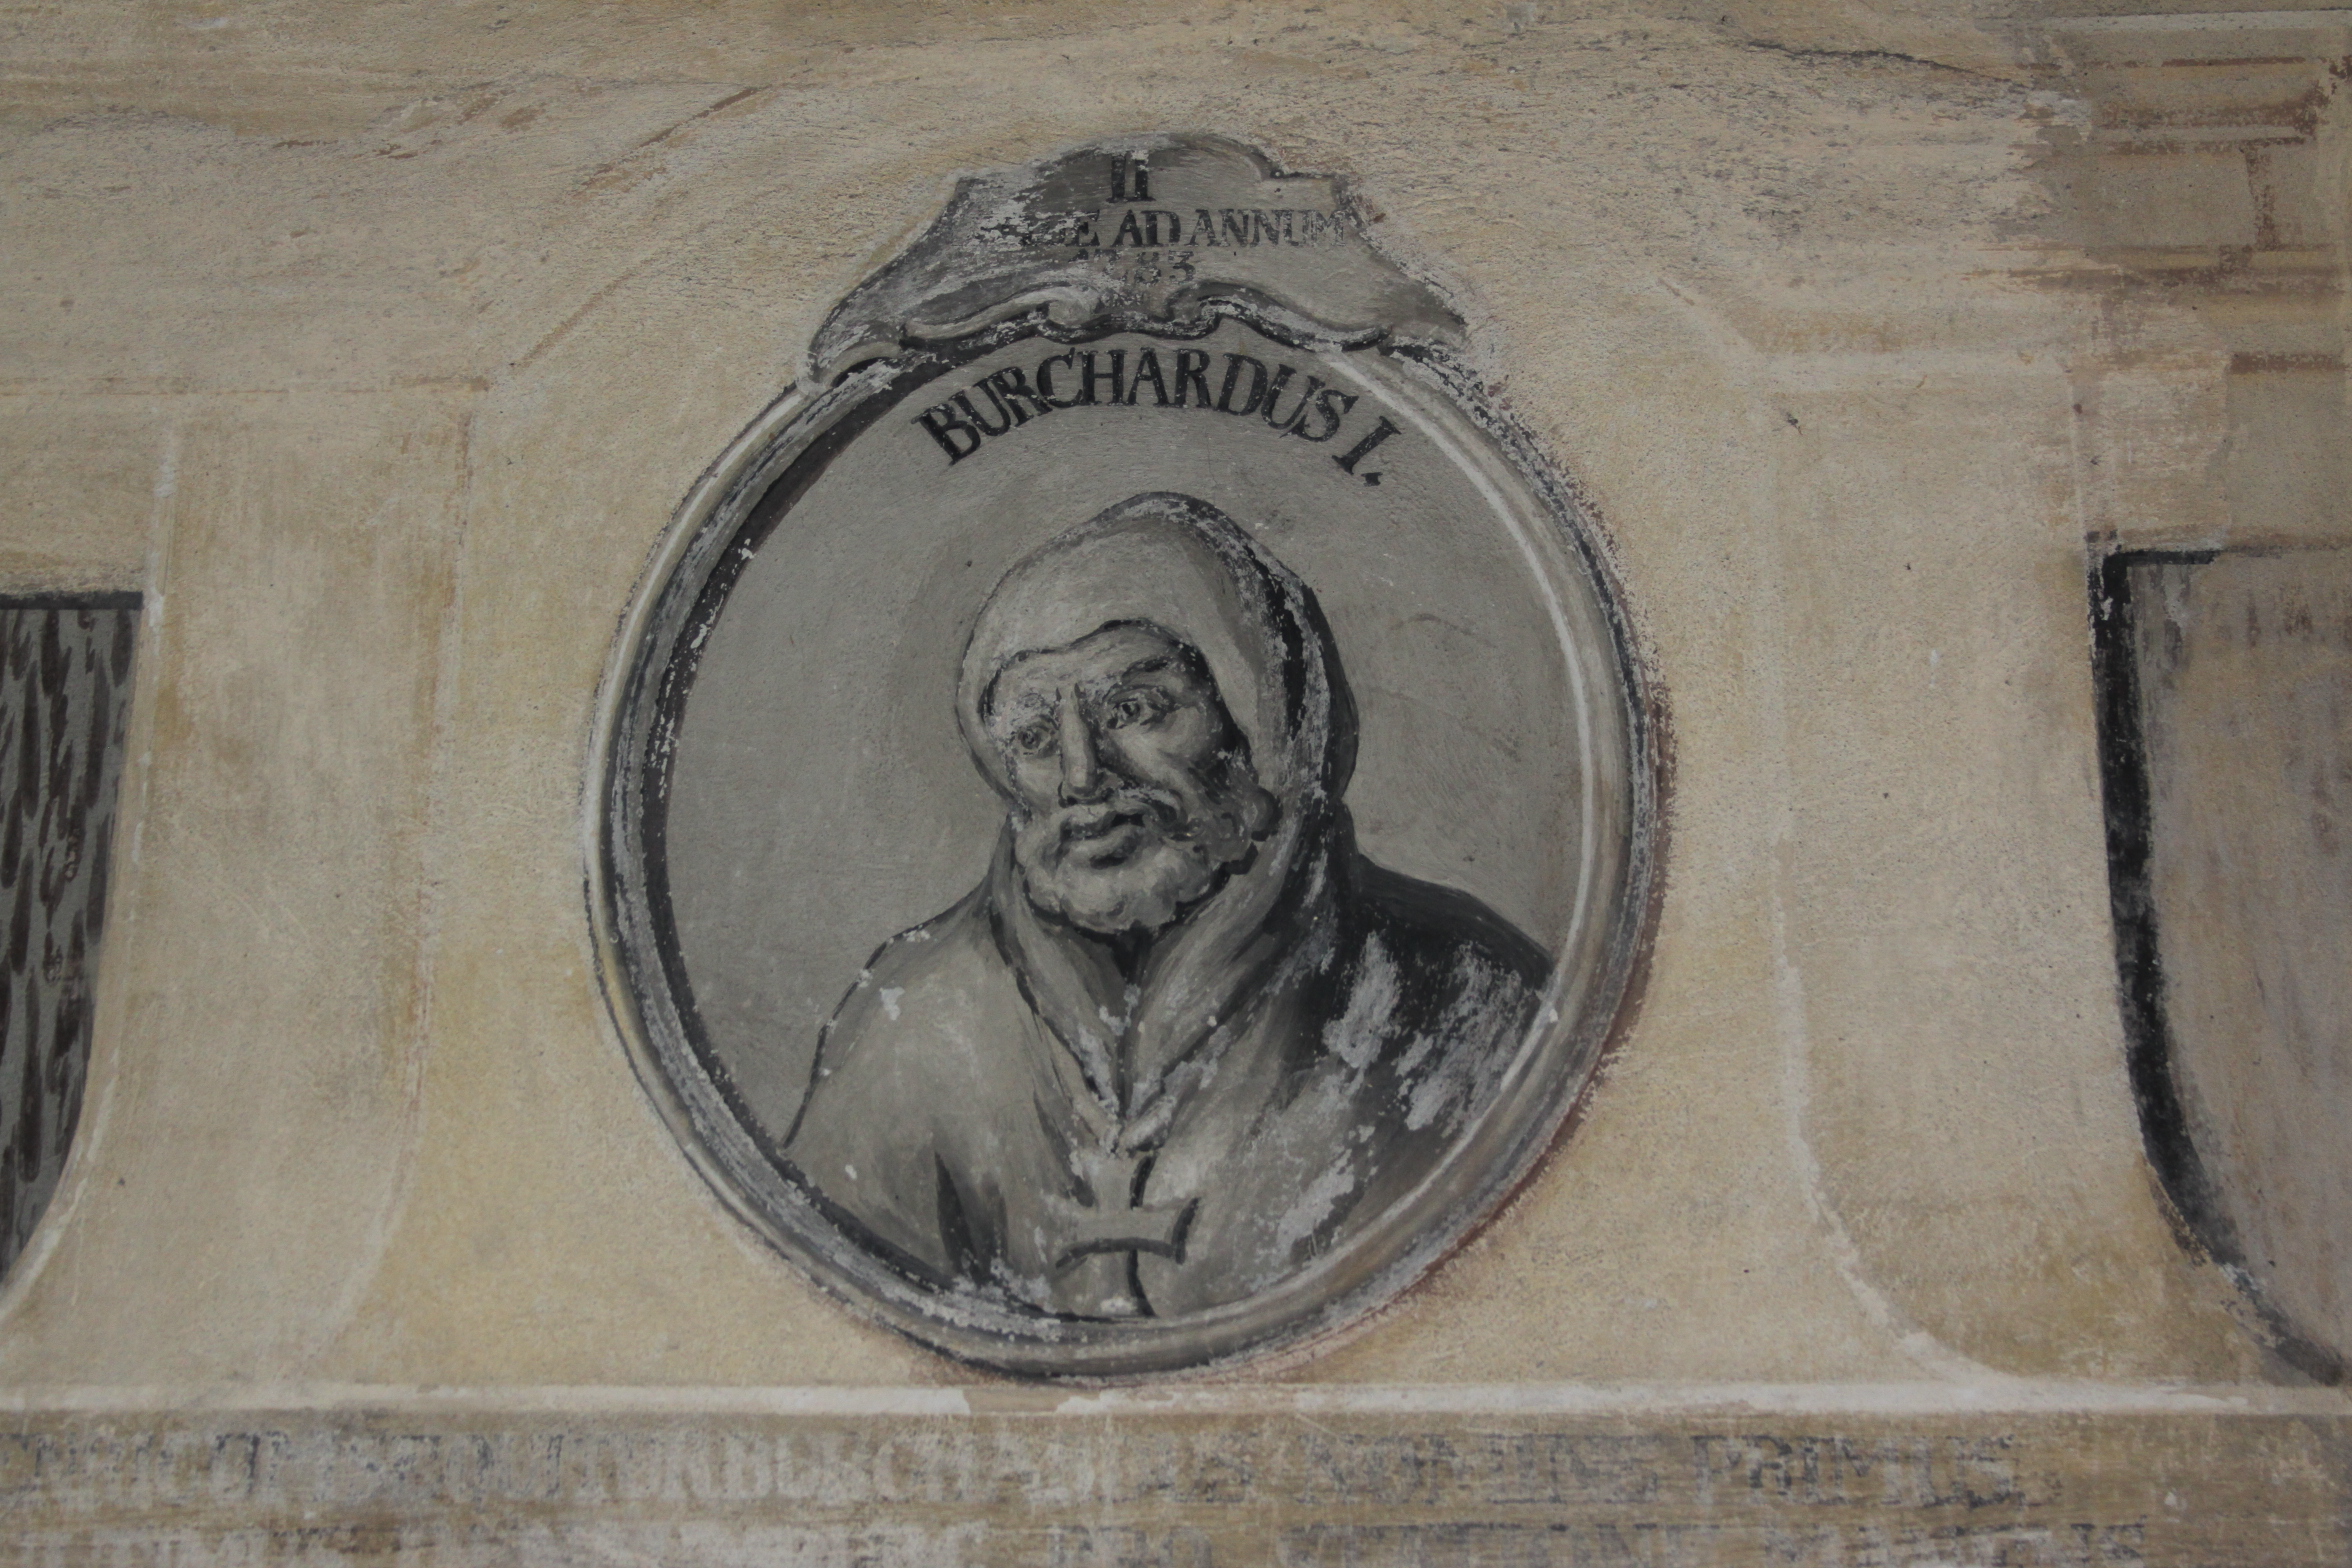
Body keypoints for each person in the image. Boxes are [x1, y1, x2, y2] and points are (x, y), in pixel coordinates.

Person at [783, 492, 1547, 1320]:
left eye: (1133, 711)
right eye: (1034, 739)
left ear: (1259, 717)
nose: (1082, 776)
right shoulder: (912, 1020)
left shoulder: (1465, 1001)